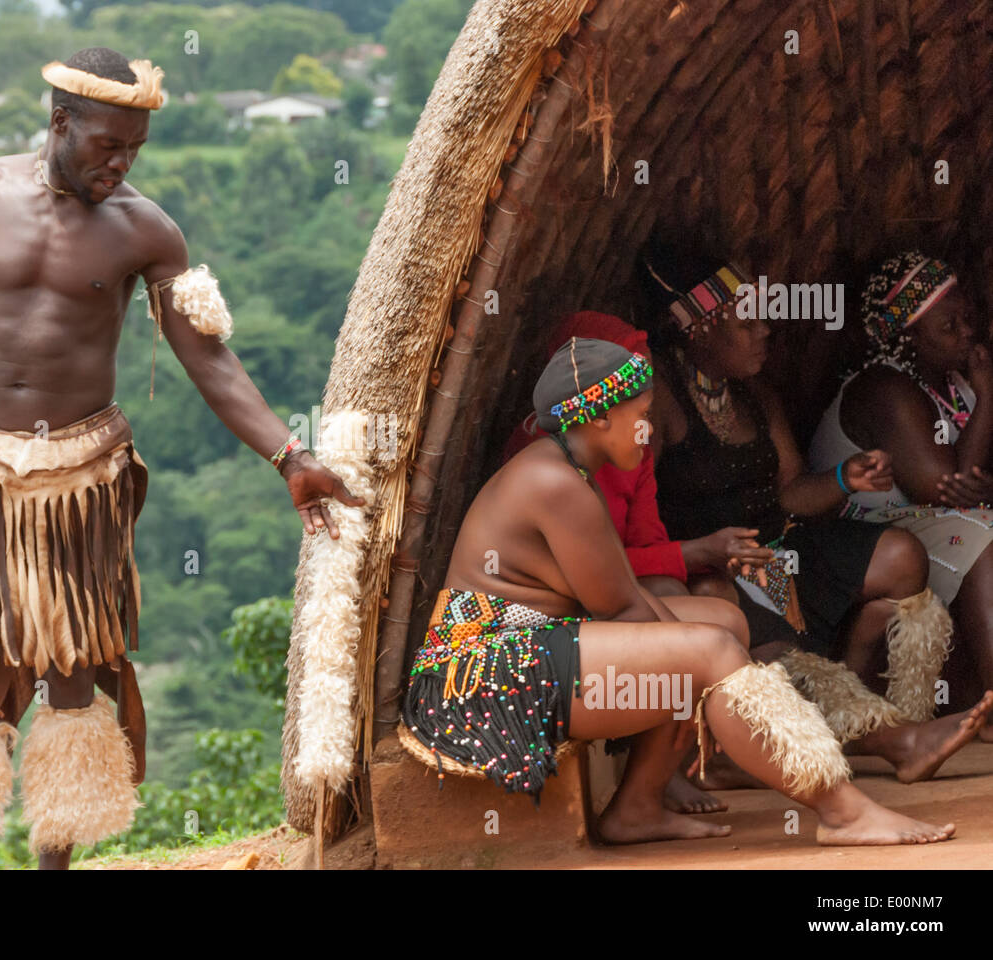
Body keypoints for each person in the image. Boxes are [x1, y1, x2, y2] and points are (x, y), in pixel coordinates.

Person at [0, 48, 364, 870]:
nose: (121, 163)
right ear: (60, 122)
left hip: (83, 481)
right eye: (108, 145)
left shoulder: (146, 231)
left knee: (73, 674)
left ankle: (56, 866)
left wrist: (289, 457)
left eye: (134, 150)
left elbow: (208, 358)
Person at [403, 337, 968, 845]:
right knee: (710, 650)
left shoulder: (570, 471)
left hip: (533, 644)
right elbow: (623, 612)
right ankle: (844, 812)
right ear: (599, 418)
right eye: (641, 417)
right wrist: (713, 669)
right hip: (484, 672)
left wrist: (709, 648)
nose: (649, 434)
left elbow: (624, 596)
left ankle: (638, 805)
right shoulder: (555, 484)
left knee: (722, 622)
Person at [640, 246, 983, 780]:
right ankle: (888, 739)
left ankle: (862, 700)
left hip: (778, 549)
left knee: (898, 555)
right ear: (701, 329)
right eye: (748, 321)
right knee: (743, 622)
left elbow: (790, 494)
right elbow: (639, 510)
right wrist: (693, 555)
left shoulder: (756, 396)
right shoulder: (660, 400)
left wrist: (847, 478)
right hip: (711, 568)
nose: (766, 332)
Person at [809, 252, 993, 736]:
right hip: (867, 531)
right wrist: (990, 397)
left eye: (967, 319)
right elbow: (944, 488)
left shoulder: (954, 385)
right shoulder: (885, 388)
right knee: (983, 534)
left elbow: (964, 482)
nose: (967, 333)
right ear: (907, 336)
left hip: (927, 519)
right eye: (947, 325)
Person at [503, 312, 777, 601]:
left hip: (606, 586)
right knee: (688, 609)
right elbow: (583, 567)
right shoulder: (544, 454)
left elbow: (648, 546)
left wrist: (706, 555)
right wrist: (700, 551)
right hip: (545, 600)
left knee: (710, 594)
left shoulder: (633, 449)